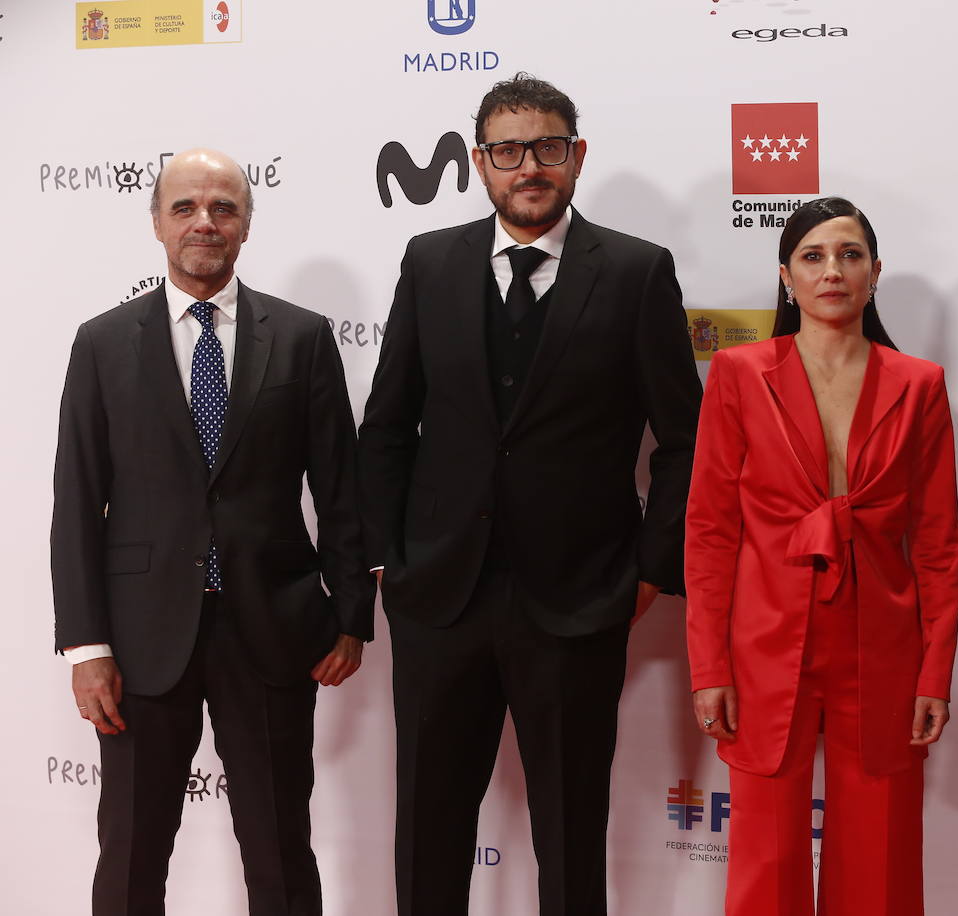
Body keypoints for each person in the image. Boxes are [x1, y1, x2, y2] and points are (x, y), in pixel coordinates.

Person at [358, 73, 702, 915]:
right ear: (481, 163)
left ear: (576, 156)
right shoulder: (430, 262)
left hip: (579, 598)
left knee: (572, 831)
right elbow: (388, 425)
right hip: (440, 597)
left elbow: (687, 440)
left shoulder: (633, 271)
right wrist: (385, 559)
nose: (529, 167)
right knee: (427, 830)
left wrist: (651, 566)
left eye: (548, 147)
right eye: (508, 151)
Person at [51, 148, 375, 915]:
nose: (205, 222)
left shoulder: (301, 337)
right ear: (157, 223)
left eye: (224, 208)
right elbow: (76, 500)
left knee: (279, 851)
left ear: (247, 226)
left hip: (271, 628)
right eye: (186, 207)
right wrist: (87, 647)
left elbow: (341, 489)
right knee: (130, 856)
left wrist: (353, 616)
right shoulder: (102, 343)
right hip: (137, 641)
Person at [685, 197, 958, 916]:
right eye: (813, 256)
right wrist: (709, 665)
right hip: (765, 640)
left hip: (883, 643)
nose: (832, 270)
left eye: (849, 255)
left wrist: (935, 671)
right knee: (766, 861)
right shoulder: (741, 375)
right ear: (786, 277)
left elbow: (937, 543)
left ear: (875, 273)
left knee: (881, 858)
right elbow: (711, 530)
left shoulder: (920, 384)